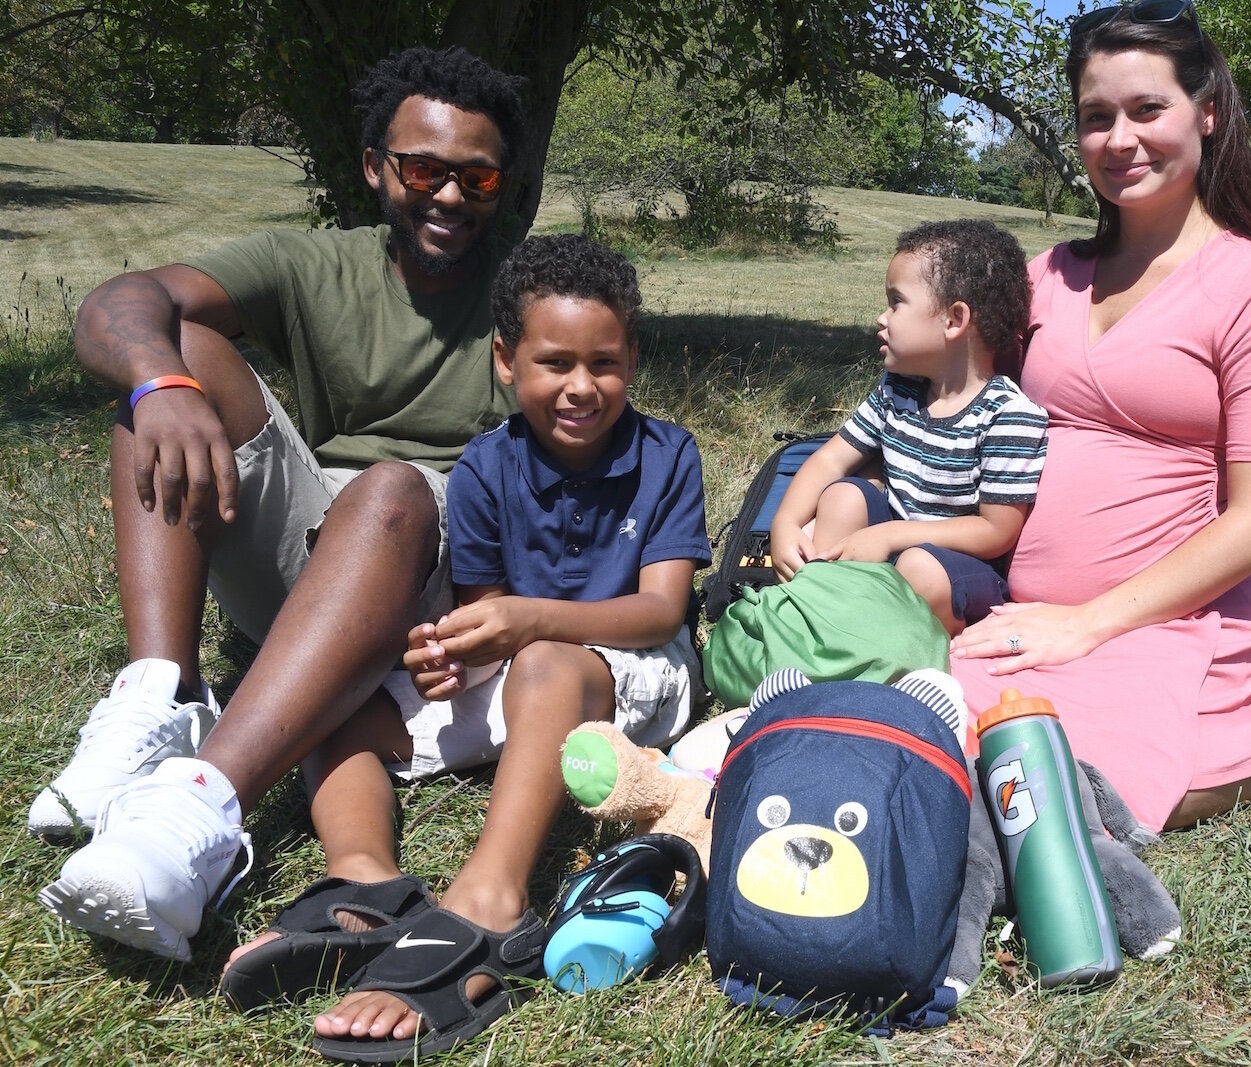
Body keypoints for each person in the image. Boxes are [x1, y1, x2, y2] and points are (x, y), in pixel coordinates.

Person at [35, 46, 528, 962]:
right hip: (311, 543)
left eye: (477, 176)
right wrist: (157, 381)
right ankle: (163, 695)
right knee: (176, 343)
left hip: (435, 568)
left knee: (393, 488)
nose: (450, 197)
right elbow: (122, 299)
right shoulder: (310, 265)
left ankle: (199, 811)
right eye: (424, 169)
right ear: (376, 168)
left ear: (502, 186)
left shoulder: (523, 295)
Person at [947, 0, 1251, 832]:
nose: (1119, 138)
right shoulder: (1043, 277)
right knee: (937, 740)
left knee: (1069, 799)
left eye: (1147, 108)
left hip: (1181, 618)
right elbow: (951, 407)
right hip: (1022, 610)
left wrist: (1085, 623)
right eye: (1094, 117)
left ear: (1206, 112)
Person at [289, 233, 707, 1062]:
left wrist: (526, 623)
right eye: (554, 363)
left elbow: (660, 612)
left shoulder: (668, 455)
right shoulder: (484, 468)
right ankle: (364, 882)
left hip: (638, 671)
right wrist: (452, 656)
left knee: (548, 659)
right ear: (505, 361)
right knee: (340, 712)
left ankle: (491, 897)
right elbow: (488, 621)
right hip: (526, 669)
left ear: (633, 357)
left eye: (605, 362)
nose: (581, 387)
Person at [769, 220, 1048, 635]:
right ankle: (817, 618)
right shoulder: (897, 391)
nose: (881, 318)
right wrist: (785, 524)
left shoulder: (1008, 416)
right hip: (886, 543)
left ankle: (886, 646)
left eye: (896, 302)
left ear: (954, 319)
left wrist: (892, 535)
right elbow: (830, 460)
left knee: (920, 567)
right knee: (843, 496)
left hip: (957, 568)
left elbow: (996, 531)